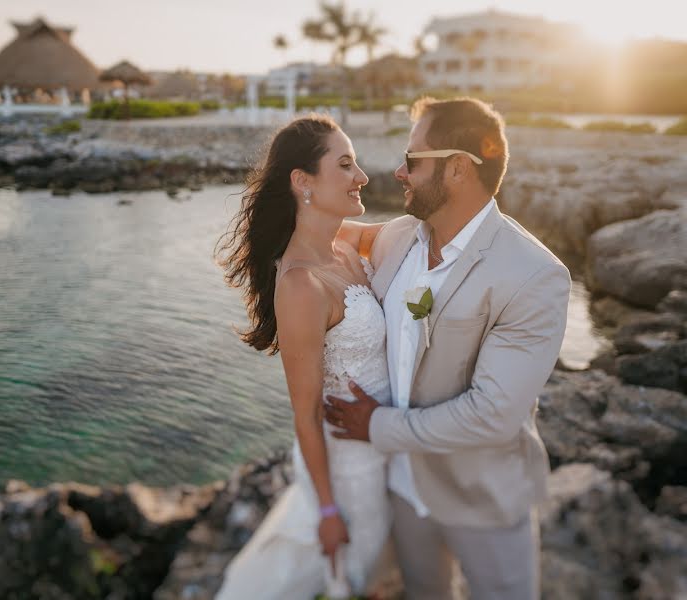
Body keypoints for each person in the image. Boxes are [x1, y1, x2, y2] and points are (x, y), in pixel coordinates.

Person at [325, 97, 571, 600]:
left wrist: (375, 426)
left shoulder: (534, 275)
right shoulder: (398, 237)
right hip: (401, 489)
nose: (398, 171)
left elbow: (493, 414)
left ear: (459, 168)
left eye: (413, 160)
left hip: (482, 499)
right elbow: (322, 233)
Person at [214, 115, 391, 599]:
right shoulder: (299, 285)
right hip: (347, 468)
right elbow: (306, 413)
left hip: (384, 447)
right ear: (303, 182)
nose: (362, 177)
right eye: (346, 164)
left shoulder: (346, 244)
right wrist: (329, 510)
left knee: (370, 573)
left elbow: (418, 231)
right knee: (341, 575)